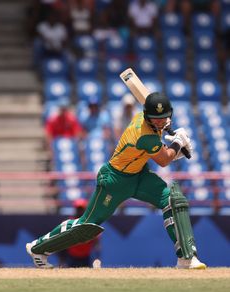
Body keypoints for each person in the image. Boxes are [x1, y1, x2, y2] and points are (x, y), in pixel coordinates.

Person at [26, 92, 207, 269]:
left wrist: (177, 146)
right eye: (155, 118)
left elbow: (159, 152)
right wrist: (177, 143)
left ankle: (186, 257)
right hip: (115, 180)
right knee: (86, 227)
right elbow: (164, 160)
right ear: (147, 115)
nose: (159, 121)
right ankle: (38, 248)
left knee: (173, 201)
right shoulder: (145, 135)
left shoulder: (145, 119)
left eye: (164, 117)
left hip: (139, 175)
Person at [56, 199, 100, 268]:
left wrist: (96, 258)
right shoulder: (68, 223)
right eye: (78, 209)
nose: (80, 211)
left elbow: (96, 242)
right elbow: (61, 243)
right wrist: (61, 261)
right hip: (71, 257)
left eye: (81, 209)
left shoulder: (90, 223)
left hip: (86, 257)